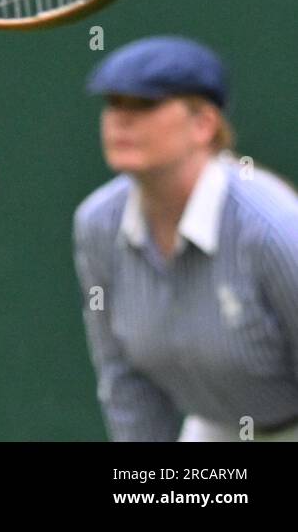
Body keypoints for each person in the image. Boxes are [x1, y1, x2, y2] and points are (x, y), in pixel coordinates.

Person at [72, 36, 298, 442]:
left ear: (204, 124)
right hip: (215, 431)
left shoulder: (273, 227)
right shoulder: (97, 224)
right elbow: (124, 379)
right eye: (113, 103)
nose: (120, 120)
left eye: (144, 104)